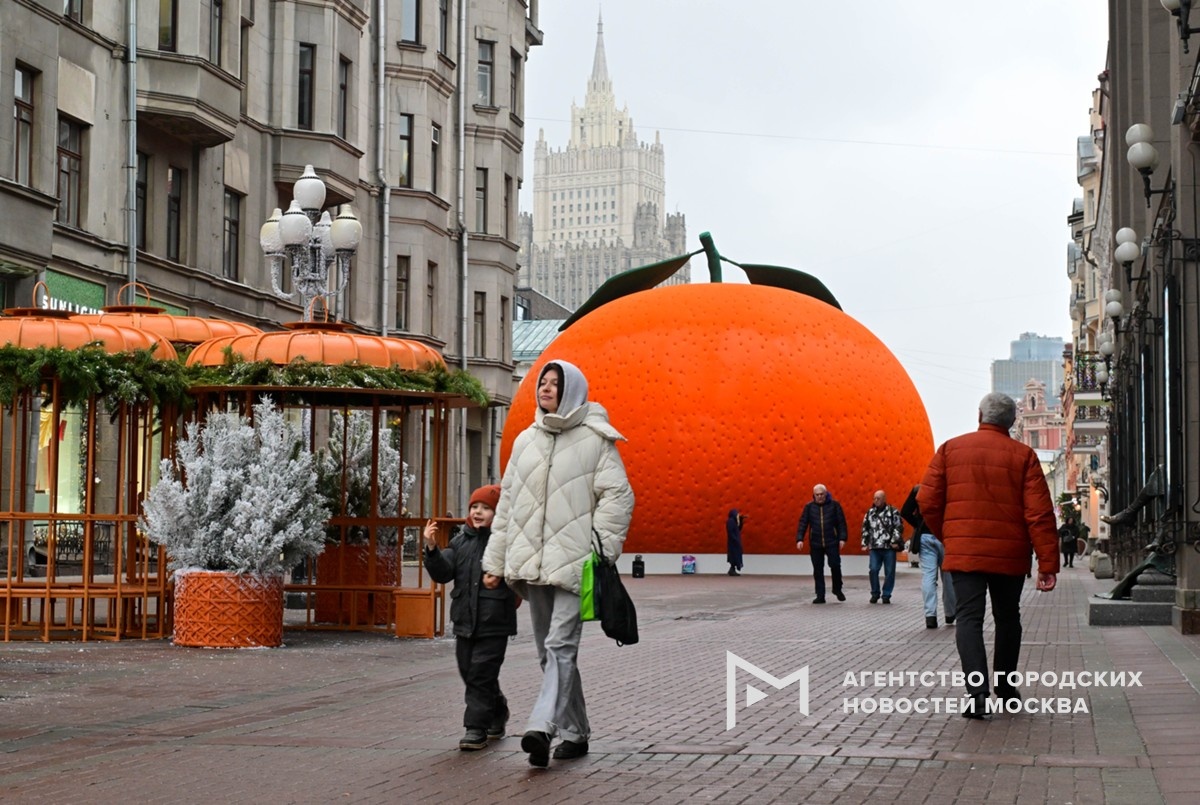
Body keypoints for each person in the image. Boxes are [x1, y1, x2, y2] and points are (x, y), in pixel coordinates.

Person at [481, 360, 635, 767]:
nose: (545, 389)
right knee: (550, 654)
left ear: (572, 391)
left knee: (560, 645)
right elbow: (509, 503)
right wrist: (495, 561)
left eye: (555, 384)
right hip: (531, 564)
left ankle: (541, 727)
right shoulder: (525, 441)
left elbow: (618, 498)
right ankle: (576, 732)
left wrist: (597, 550)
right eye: (543, 383)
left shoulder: (596, 439)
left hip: (574, 565)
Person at [918, 392, 1059, 720]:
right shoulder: (1023, 456)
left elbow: (927, 501)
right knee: (1008, 618)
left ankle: (977, 694)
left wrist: (951, 534)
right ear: (1011, 422)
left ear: (980, 415)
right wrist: (1048, 564)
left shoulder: (951, 449)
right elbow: (1039, 513)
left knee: (969, 618)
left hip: (965, 553)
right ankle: (1007, 691)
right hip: (1008, 554)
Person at [422, 485, 518, 751]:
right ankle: (497, 712)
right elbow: (444, 572)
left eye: (485, 508)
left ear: (497, 513)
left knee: (481, 673)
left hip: (494, 621)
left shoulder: (503, 542)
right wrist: (432, 549)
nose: (478, 512)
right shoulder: (460, 541)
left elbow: (518, 574)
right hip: (464, 621)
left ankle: (475, 728)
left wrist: (500, 576)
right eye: (475, 507)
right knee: (469, 671)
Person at [902, 484, 956, 629]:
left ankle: (930, 616)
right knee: (948, 577)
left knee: (928, 577)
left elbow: (905, 511)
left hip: (925, 536)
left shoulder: (918, 490)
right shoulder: (949, 487)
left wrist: (918, 524)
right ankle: (950, 613)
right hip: (944, 536)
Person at [796, 484, 848, 604]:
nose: (819, 497)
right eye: (817, 495)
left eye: (821, 494)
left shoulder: (835, 505)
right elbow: (803, 523)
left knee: (835, 565)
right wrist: (799, 539)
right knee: (818, 569)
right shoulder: (809, 507)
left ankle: (837, 589)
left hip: (832, 541)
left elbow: (841, 523)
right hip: (815, 543)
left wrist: (842, 538)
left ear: (826, 494)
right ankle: (820, 595)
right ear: (814, 495)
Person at [861, 490, 903, 604]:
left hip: (888, 547)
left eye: (878, 498)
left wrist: (894, 540)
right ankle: (875, 593)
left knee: (889, 572)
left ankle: (886, 594)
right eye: (874, 498)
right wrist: (864, 543)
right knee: (873, 570)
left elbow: (898, 527)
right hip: (875, 547)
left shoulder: (892, 511)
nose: (876, 501)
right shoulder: (870, 513)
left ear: (884, 499)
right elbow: (865, 528)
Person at [726, 509, 746, 576]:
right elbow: (730, 532)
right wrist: (735, 539)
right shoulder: (731, 521)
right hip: (733, 542)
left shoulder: (734, 521)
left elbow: (739, 529)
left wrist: (741, 520)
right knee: (734, 555)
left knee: (736, 555)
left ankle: (732, 569)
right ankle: (732, 569)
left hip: (735, 541)